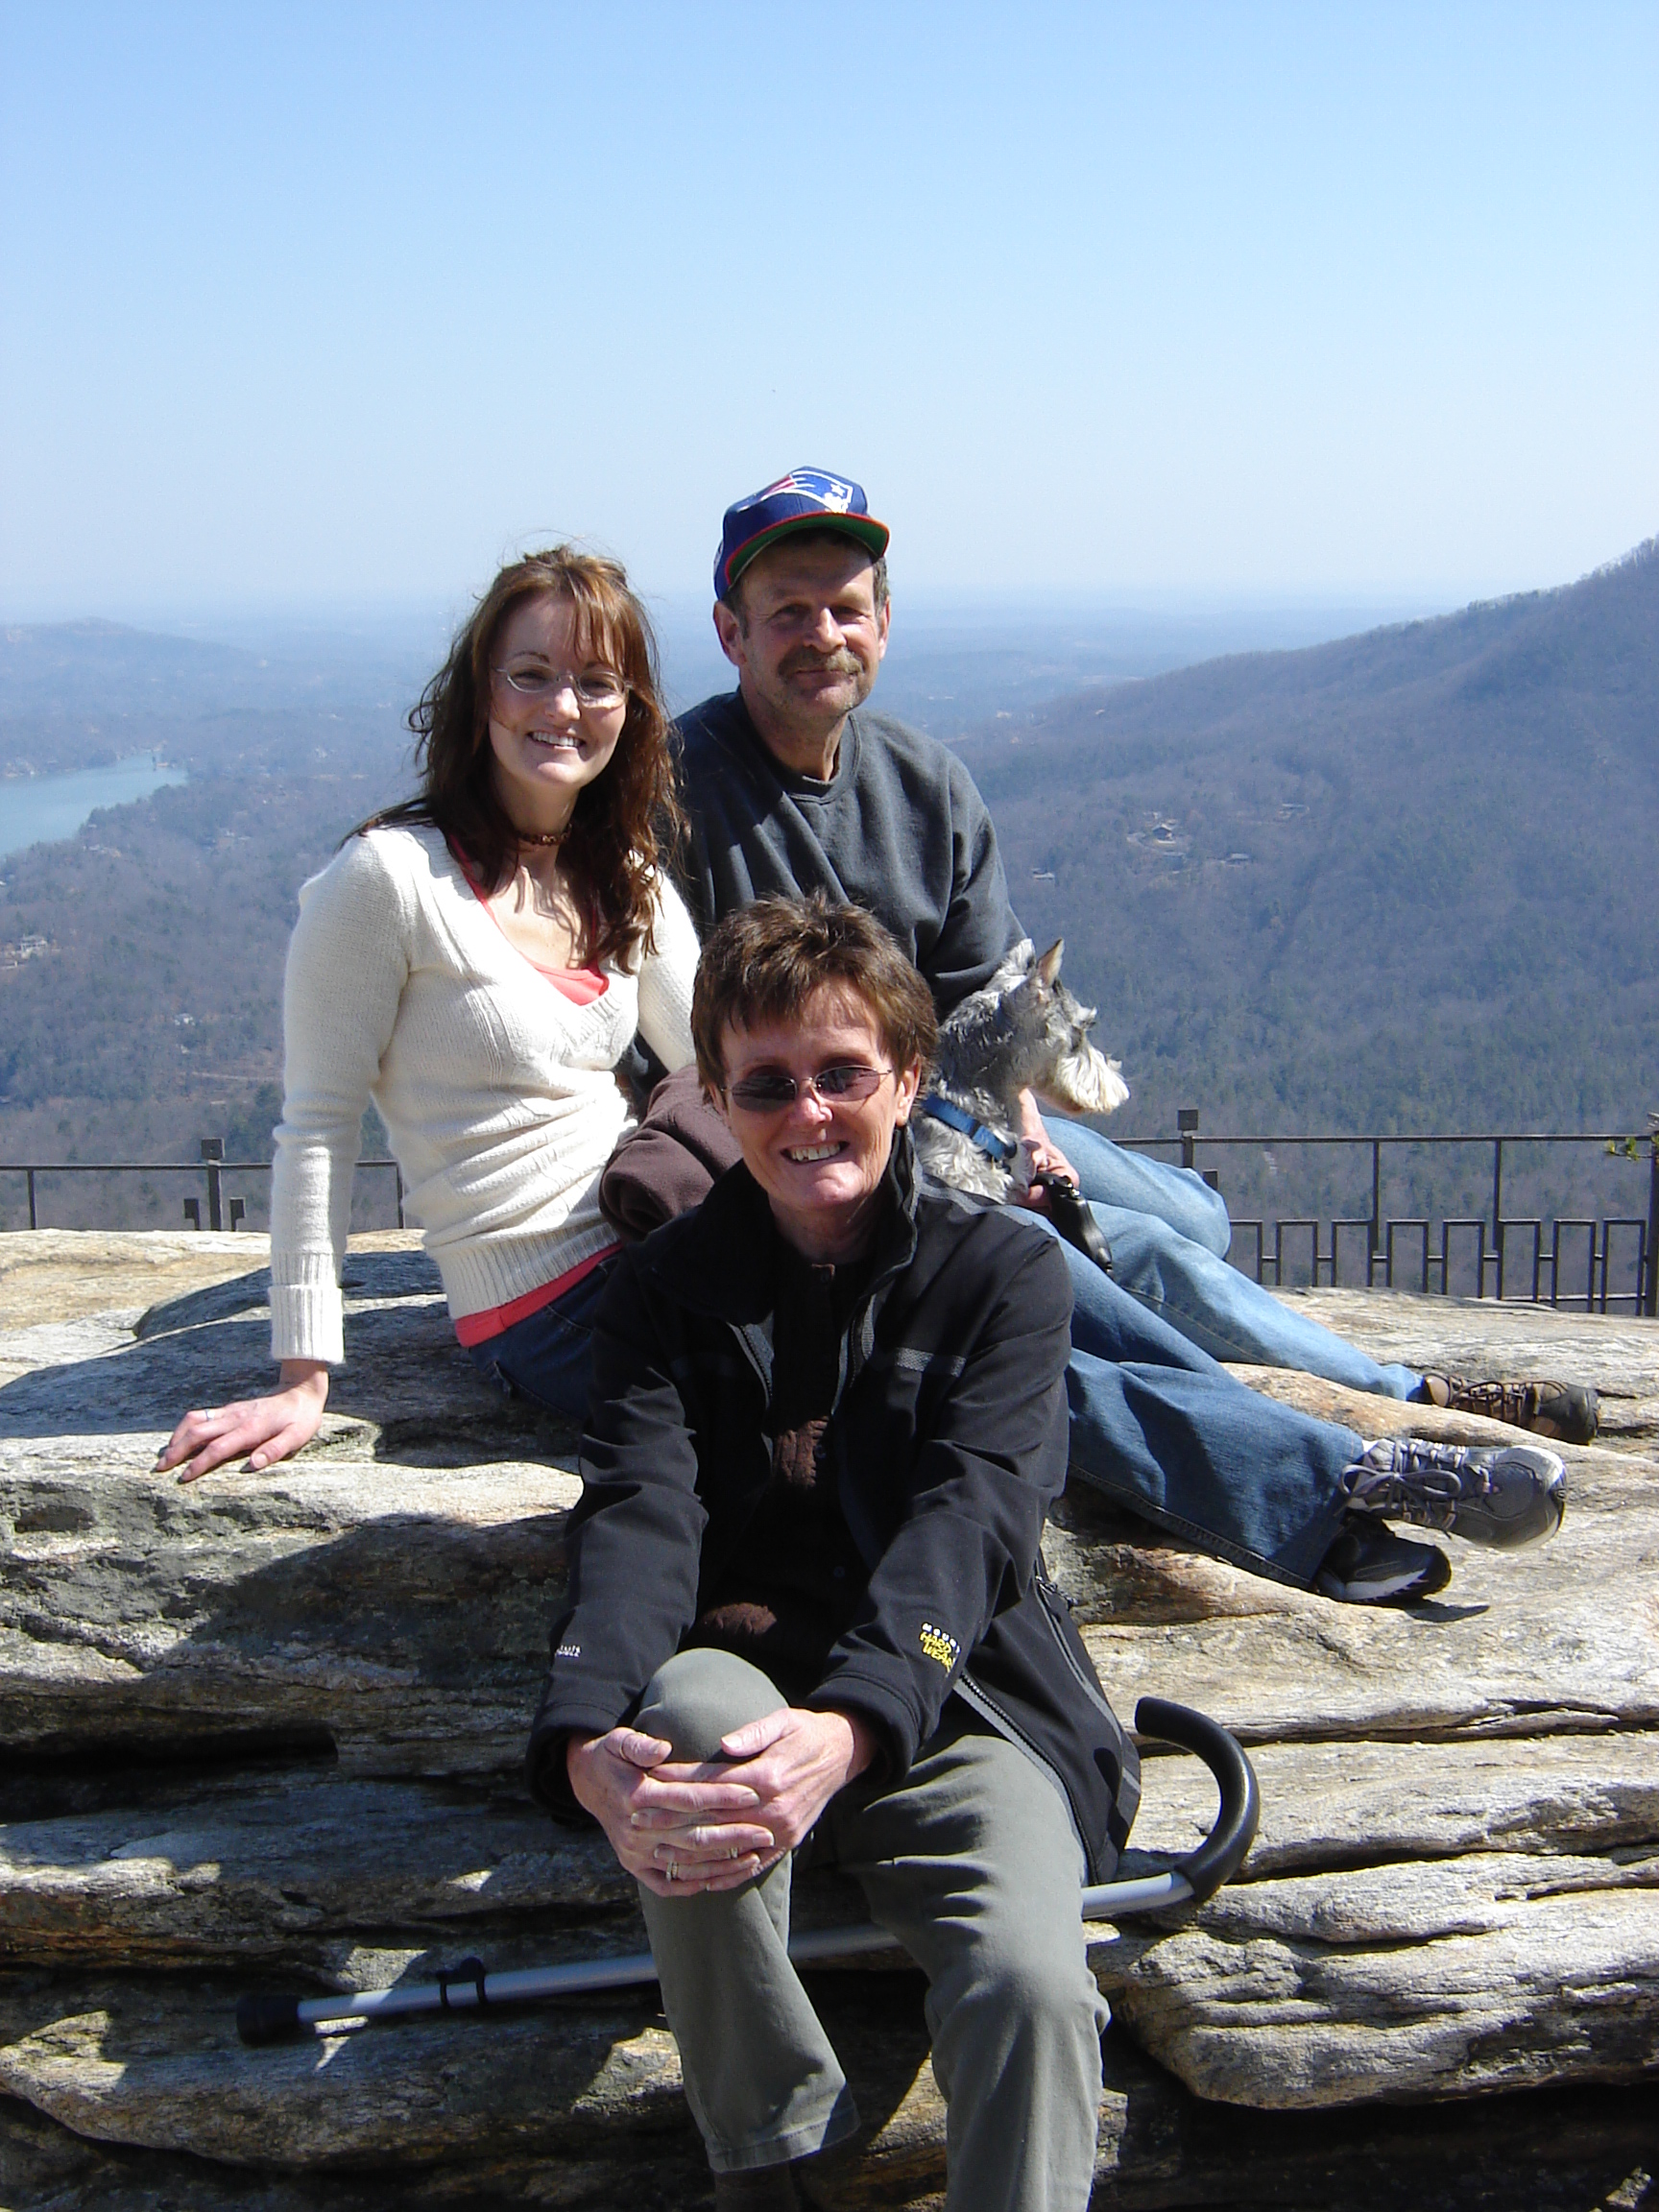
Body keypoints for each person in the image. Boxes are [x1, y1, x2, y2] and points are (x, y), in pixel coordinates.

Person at [666, 469, 1579, 1602]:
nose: (822, 635)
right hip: (830, 1142)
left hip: (952, 1111)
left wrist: (1033, 1141)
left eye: (845, 608)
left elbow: (991, 997)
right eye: (788, 612)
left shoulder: (923, 784)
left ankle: (1381, 1393)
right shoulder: (679, 795)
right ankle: (1374, 1428)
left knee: (1194, 1220)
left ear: (884, 624)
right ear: (731, 632)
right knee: (1104, 1261)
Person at [529, 898, 1140, 2212]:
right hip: (748, 1673)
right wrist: (583, 1736)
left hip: (961, 1694)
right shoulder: (663, 1290)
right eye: (766, 1085)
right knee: (682, 1731)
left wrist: (855, 1727)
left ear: (909, 1082)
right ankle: (772, 2173)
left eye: (843, 1075)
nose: (808, 1113)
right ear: (718, 1101)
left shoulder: (1002, 1275)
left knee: (1032, 1987)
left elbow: (975, 1518)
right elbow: (639, 1512)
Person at [157, 547, 700, 1483]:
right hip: (539, 1303)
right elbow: (318, 1124)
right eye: (531, 674)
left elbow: (724, 1063)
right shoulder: (392, 879)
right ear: (481, 692)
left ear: (631, 710)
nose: (564, 706)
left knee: (929, 1315)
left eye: (597, 682)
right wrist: (302, 1378)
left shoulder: (625, 877)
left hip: (650, 1233)